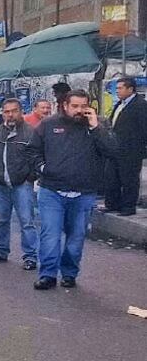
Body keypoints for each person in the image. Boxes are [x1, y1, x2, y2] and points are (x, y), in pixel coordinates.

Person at [28, 90, 118, 289]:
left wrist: (96, 127)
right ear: (65, 106)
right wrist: (43, 168)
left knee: (76, 237)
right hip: (52, 191)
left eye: (83, 106)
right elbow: (33, 151)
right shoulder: (48, 124)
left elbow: (112, 150)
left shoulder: (96, 127)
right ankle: (48, 275)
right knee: (50, 235)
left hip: (84, 193)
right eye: (75, 106)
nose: (79, 110)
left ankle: (69, 273)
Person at [0, 98, 38, 268]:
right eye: (6, 111)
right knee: (1, 220)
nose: (10, 115)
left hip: (22, 184)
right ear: (2, 113)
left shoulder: (31, 133)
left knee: (27, 222)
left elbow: (36, 157)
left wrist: (30, 177)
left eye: (14, 111)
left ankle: (30, 257)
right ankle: (0, 251)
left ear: (21, 112)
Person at [102, 76, 147, 216]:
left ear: (130, 89)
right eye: (117, 88)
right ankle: (112, 204)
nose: (117, 91)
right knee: (111, 177)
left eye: (120, 88)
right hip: (115, 148)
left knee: (129, 179)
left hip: (131, 150)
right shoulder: (120, 104)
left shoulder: (140, 105)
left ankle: (128, 207)